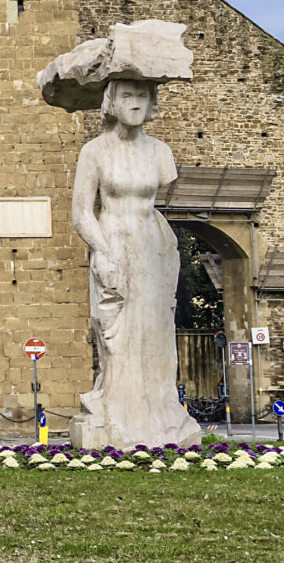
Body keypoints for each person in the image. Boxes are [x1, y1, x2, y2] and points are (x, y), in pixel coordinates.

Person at [69, 78, 199, 449]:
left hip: (152, 244)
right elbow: (81, 212)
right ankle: (116, 410)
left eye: (144, 95)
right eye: (128, 95)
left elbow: (161, 193)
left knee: (157, 333)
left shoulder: (160, 152)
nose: (136, 103)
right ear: (112, 101)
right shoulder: (95, 151)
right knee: (116, 334)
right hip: (113, 242)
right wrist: (103, 252)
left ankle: (162, 414)